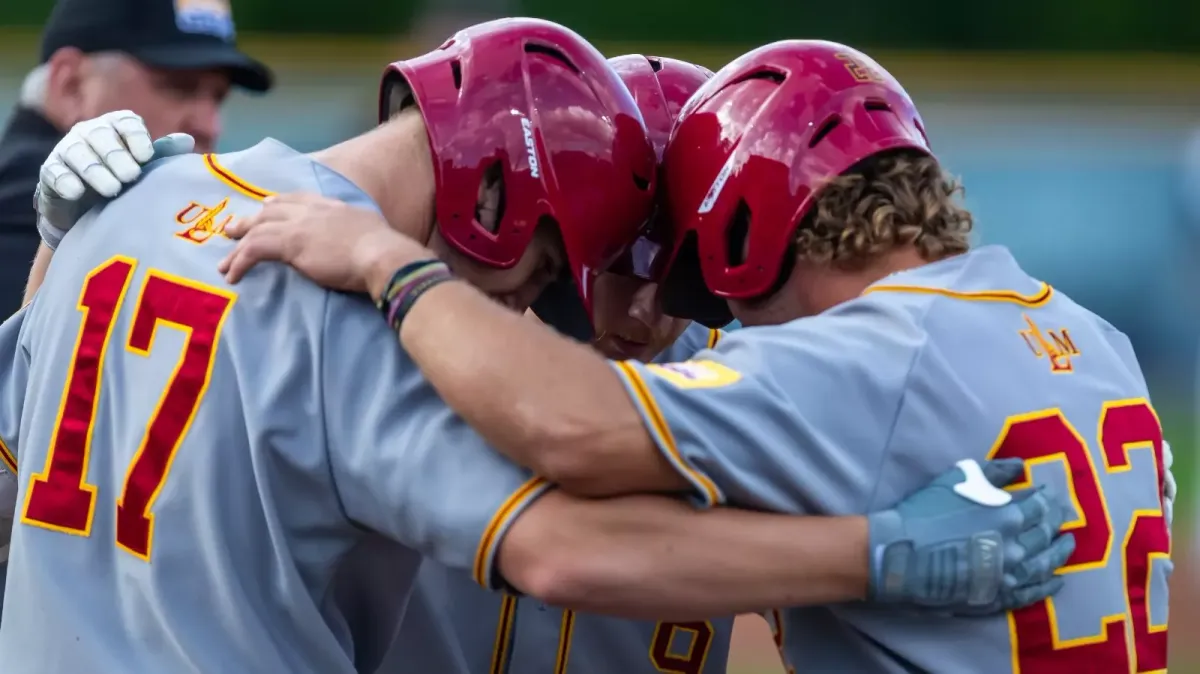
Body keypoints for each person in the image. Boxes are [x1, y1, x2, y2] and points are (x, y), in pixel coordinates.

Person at [0, 23, 1069, 673]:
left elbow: (20, 447)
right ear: (508, 198)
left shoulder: (156, 197)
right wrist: (879, 552)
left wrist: (65, 254)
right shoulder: (378, 325)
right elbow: (561, 541)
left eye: (683, 275)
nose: (640, 306)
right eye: (582, 267)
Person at [385, 54, 738, 674]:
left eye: (682, 273)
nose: (646, 312)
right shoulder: (418, 339)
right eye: (623, 265)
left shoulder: (759, 387)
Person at [0, 0, 271, 315]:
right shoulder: (26, 202)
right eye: (180, 87)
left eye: (218, 97)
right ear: (71, 86)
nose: (209, 125)